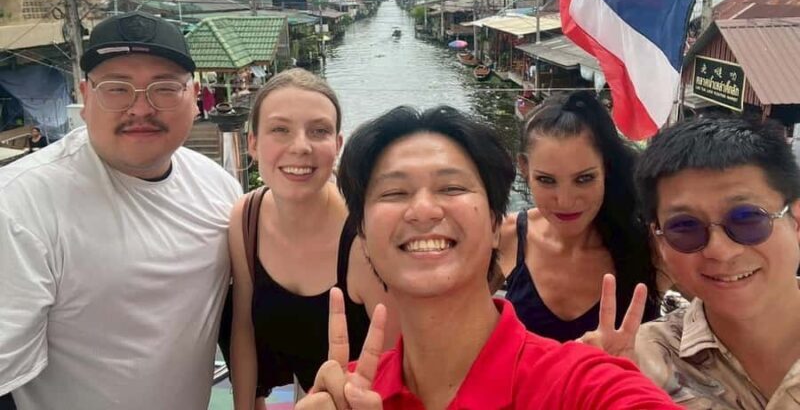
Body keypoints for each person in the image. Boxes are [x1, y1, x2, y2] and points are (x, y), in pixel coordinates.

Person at [299, 106, 680, 409]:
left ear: (497, 225)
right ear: (363, 237)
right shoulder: (347, 396)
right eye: (394, 193)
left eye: (451, 187)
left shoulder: (581, 387)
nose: (424, 210)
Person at [0, 11, 242, 410]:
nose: (140, 108)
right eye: (117, 88)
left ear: (195, 97)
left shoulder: (218, 188)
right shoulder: (22, 206)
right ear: (85, 96)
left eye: (164, 89)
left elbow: (234, 314)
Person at [228, 69, 394, 409]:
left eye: (318, 131)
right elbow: (243, 329)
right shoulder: (246, 218)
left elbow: (397, 358)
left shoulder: (365, 236)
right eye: (280, 129)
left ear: (337, 146)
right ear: (253, 144)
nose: (301, 147)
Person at [634, 117, 800, 408]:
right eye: (685, 227)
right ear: (660, 241)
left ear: (796, 220)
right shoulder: (641, 361)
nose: (720, 251)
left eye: (748, 218)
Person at [498, 91, 661, 342]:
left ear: (605, 167)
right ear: (524, 168)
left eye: (584, 179)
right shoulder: (507, 236)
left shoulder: (651, 247)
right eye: (546, 180)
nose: (565, 201)